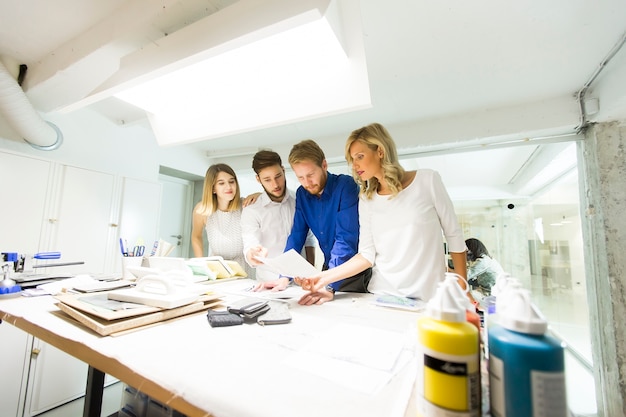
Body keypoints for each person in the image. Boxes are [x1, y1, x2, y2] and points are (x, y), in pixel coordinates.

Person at [297, 122, 468, 304]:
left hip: (428, 298)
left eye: (360, 156)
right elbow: (366, 255)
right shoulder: (366, 198)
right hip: (381, 295)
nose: (355, 165)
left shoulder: (427, 180)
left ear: (380, 151)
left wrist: (463, 286)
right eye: (352, 160)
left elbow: (454, 234)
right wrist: (324, 279)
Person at [254, 139, 371, 305]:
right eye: (300, 177)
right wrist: (284, 277)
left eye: (310, 175)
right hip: (327, 270)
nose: (307, 183)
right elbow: (297, 235)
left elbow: (345, 239)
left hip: (352, 272)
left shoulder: (346, 186)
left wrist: (328, 283)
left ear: (324, 165)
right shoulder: (303, 194)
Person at [241, 150, 316, 282]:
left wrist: (312, 272)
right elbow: (250, 243)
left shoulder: (299, 200)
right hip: (270, 282)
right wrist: (252, 253)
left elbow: (309, 239)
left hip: (301, 281)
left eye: (278, 176)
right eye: (267, 180)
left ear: (283, 170)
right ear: (258, 179)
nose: (275, 185)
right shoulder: (252, 210)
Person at [191, 163, 253, 277]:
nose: (228, 187)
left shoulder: (245, 206)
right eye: (221, 183)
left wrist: (258, 195)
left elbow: (266, 200)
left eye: (231, 181)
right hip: (216, 270)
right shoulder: (202, 210)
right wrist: (200, 263)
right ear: (213, 188)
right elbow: (196, 236)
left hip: (243, 270)